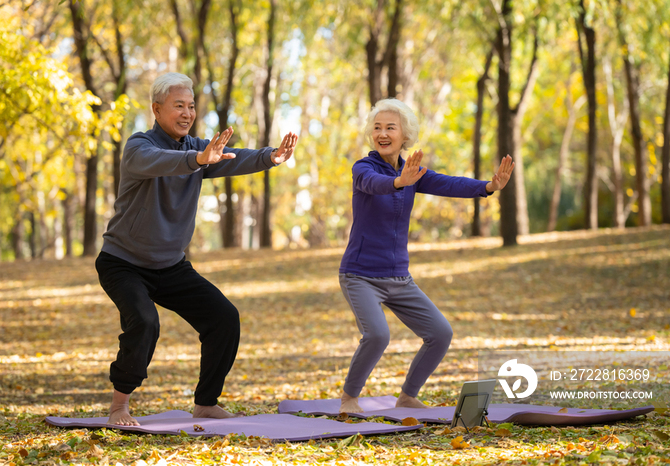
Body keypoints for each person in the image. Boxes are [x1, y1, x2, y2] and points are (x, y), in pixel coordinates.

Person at [95, 72, 298, 426]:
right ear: (156, 109)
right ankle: (119, 407)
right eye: (179, 106)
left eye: (191, 106)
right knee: (143, 322)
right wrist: (199, 160)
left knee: (223, 318)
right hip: (122, 263)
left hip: (170, 266)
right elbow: (162, 162)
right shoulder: (138, 147)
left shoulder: (196, 149)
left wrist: (271, 157)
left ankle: (206, 402)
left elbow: (233, 157)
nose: (187, 113)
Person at [338, 98, 513, 413]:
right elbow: (372, 184)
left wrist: (488, 186)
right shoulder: (363, 167)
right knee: (377, 335)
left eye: (390, 127)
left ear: (405, 135)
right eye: (377, 127)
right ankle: (349, 398)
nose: (382, 133)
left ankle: (407, 396)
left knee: (440, 333)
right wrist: (397, 182)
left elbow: (449, 184)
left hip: (399, 278)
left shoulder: (413, 171)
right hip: (360, 275)